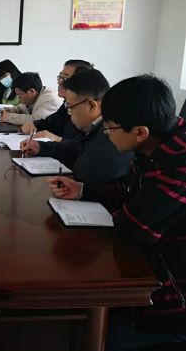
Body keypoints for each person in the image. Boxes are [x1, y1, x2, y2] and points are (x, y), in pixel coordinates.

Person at [48, 75, 186, 350]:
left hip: (170, 299)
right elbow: (127, 189)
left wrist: (116, 213)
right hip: (150, 271)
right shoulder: (155, 144)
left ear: (140, 132)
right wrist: (83, 190)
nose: (106, 133)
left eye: (110, 127)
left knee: (92, 334)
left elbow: (134, 229)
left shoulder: (178, 164)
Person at [21, 69, 132, 184]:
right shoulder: (96, 126)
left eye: (70, 107)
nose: (69, 113)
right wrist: (40, 147)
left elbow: (83, 173)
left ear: (91, 106)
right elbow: (76, 145)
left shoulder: (110, 135)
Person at [21, 59, 93, 142]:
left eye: (64, 78)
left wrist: (58, 140)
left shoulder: (84, 108)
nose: (59, 82)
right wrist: (34, 125)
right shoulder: (66, 104)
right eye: (60, 77)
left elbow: (83, 145)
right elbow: (52, 122)